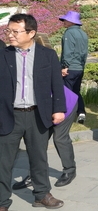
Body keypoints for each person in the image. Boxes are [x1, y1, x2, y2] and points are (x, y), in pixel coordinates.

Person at [0, 14, 66, 209]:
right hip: (9, 114)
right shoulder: (3, 54)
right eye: (8, 31)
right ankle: (2, 201)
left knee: (39, 157)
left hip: (37, 114)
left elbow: (57, 84)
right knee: (4, 161)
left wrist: (59, 109)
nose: (10, 35)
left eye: (15, 31)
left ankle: (41, 194)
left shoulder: (47, 55)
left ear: (31, 33)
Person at [59, 10, 89, 124]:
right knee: (76, 91)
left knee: (66, 91)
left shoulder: (69, 33)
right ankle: (81, 112)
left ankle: (68, 115)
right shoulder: (83, 33)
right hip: (79, 68)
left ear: (71, 22)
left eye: (65, 20)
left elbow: (68, 51)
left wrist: (65, 66)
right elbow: (85, 53)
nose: (63, 22)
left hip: (70, 68)